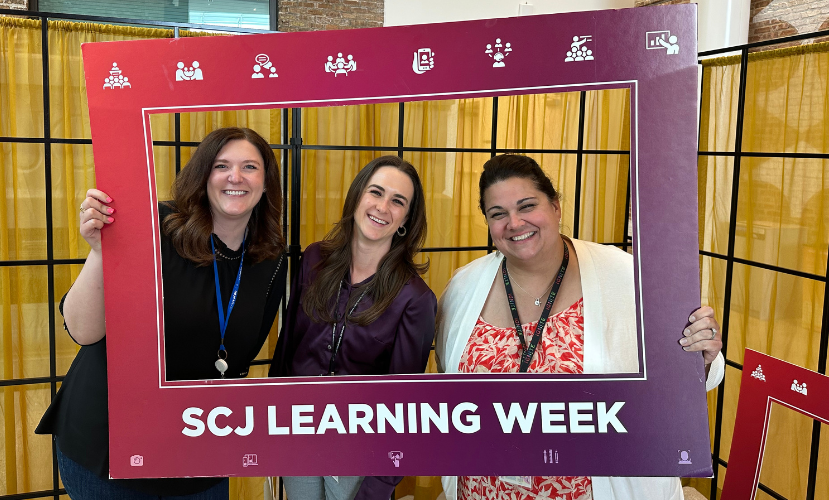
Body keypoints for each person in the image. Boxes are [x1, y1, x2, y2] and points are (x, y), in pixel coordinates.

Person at [435, 154, 725, 500]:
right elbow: (448, 386)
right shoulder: (463, 287)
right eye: (498, 214)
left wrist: (701, 354)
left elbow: (679, 381)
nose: (514, 222)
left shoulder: (628, 277)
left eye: (527, 205)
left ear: (556, 206)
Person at [36, 127, 287, 499]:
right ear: (203, 177)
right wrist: (101, 252)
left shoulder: (270, 259)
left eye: (250, 166)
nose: (236, 177)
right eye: (222, 166)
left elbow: (240, 356)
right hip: (110, 441)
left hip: (197, 442)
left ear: (266, 184)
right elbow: (82, 331)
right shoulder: (155, 226)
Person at [269, 155, 437, 500]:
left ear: (406, 219)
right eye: (376, 192)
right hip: (298, 430)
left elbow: (404, 408)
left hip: (359, 451)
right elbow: (288, 345)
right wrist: (271, 423)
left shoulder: (415, 299)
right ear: (358, 196)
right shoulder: (315, 259)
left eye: (398, 201)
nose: (382, 207)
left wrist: (379, 487)